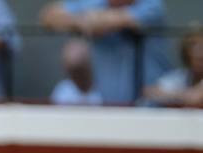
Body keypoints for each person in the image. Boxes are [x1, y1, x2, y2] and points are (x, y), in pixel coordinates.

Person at [40, 0, 171, 104]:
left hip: (150, 104)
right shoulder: (96, 3)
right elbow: (49, 16)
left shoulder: (151, 4)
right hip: (107, 105)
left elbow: (110, 22)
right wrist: (80, 21)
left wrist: (94, 20)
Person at [142, 27, 203, 108]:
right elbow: (149, 92)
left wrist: (174, 96)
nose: (198, 52)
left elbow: (196, 98)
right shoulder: (181, 76)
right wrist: (185, 95)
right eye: (196, 59)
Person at [50, 37, 104, 105]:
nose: (79, 76)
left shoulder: (104, 89)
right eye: (75, 72)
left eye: (81, 70)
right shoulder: (62, 92)